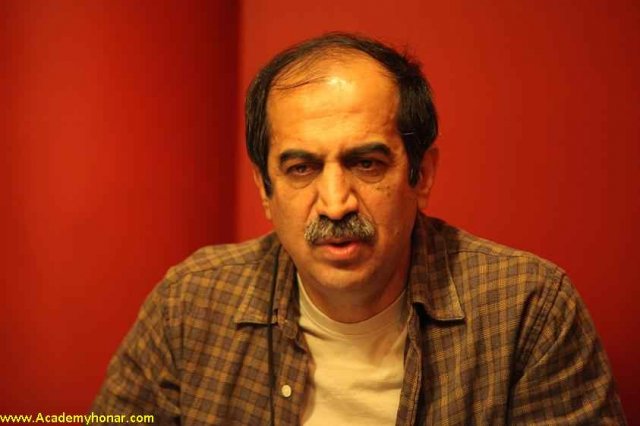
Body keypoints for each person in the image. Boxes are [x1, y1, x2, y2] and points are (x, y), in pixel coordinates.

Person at [92, 32, 626, 425]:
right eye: (301, 168)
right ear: (265, 189)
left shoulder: (527, 311)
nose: (334, 204)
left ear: (421, 175)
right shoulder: (190, 303)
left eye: (366, 164)